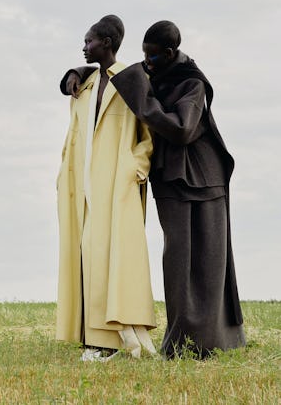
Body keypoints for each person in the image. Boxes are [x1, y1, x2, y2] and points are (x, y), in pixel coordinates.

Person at [101, 21, 244, 358]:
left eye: (151, 56)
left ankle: (211, 341)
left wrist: (141, 95)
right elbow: (119, 74)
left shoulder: (192, 81)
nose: (146, 62)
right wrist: (77, 73)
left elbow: (182, 129)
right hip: (172, 176)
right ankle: (181, 342)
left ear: (168, 53)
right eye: (143, 56)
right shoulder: (157, 73)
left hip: (204, 175)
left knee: (210, 262)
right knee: (178, 261)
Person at [56, 16, 158, 362]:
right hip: (81, 182)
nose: (84, 47)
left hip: (117, 182)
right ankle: (91, 337)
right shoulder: (82, 85)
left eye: (89, 41)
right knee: (85, 255)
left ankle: (108, 340)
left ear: (107, 42)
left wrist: (135, 168)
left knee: (108, 255)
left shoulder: (133, 79)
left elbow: (149, 134)